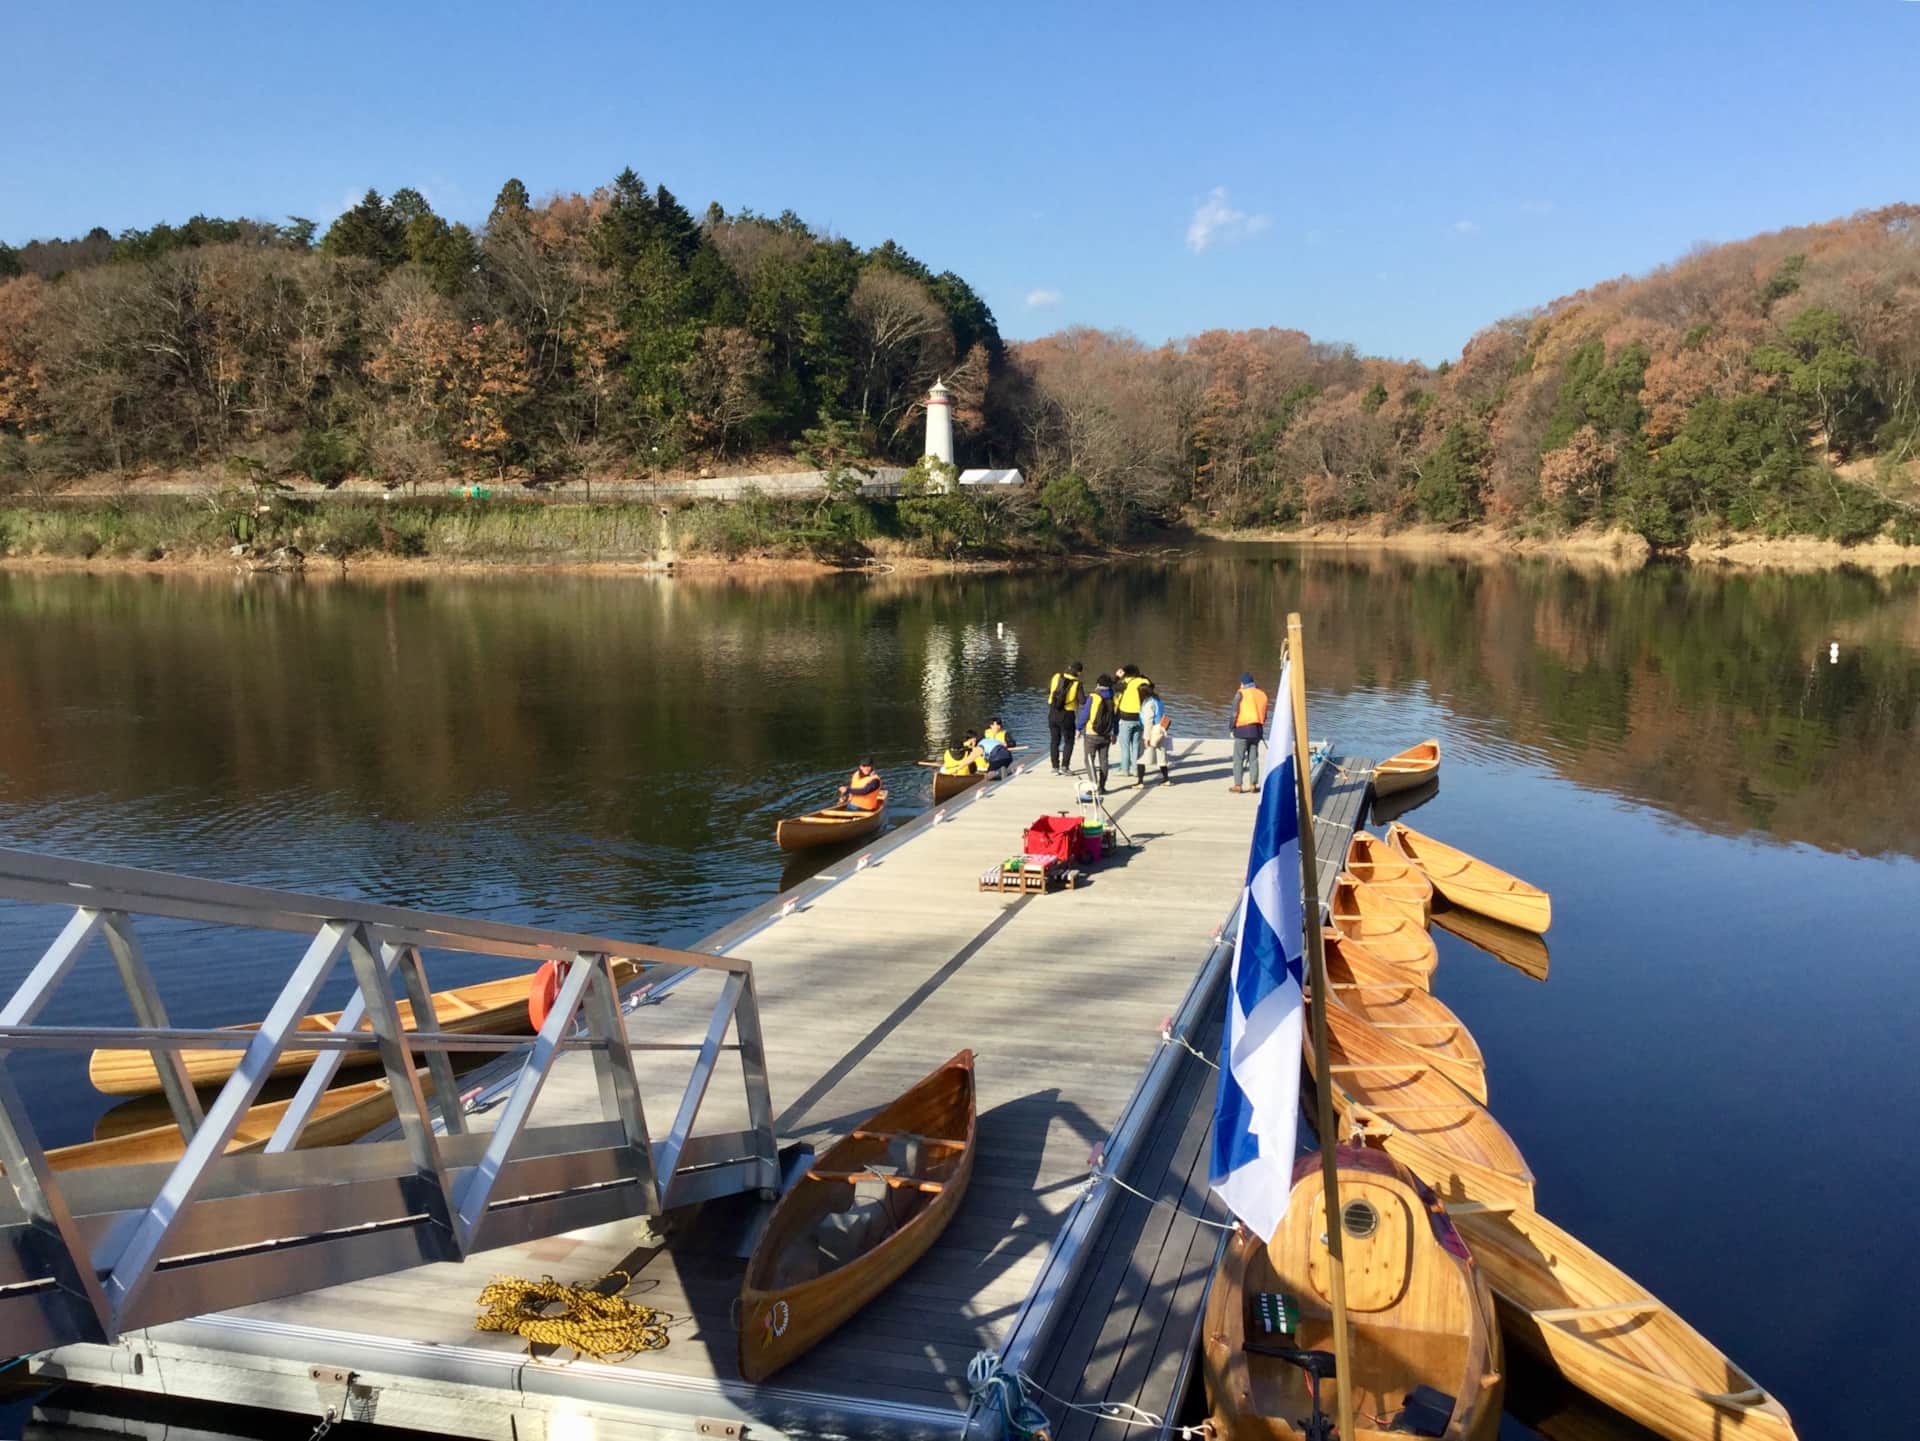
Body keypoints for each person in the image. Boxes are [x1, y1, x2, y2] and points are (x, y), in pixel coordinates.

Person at [1228, 672, 1270, 794]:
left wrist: (1231, 728)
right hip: (1256, 731)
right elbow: (1265, 714)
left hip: (1242, 730)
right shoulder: (1262, 694)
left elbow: (1234, 713)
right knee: (1253, 758)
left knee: (1238, 758)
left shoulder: (1241, 694)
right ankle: (1253, 784)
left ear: (1242, 683)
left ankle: (1238, 785)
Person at [1077, 673, 1118, 794]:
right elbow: (1116, 718)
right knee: (1104, 761)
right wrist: (1115, 733)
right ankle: (1102, 787)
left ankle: (1093, 787)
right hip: (1106, 734)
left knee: (1089, 761)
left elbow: (1085, 715)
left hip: (1091, 734)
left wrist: (1078, 728)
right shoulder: (1114, 699)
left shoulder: (1093, 697)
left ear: (1098, 684)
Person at [1114, 664, 1154, 785]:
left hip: (1125, 717)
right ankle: (1136, 769)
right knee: (1136, 745)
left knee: (1125, 745)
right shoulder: (1144, 681)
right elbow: (1152, 685)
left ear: (1125, 673)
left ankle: (1124, 769)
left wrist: (1117, 676)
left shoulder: (1124, 683)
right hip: (1140, 717)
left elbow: (1112, 687)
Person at [1045, 661, 1084, 774]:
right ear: (1079, 673)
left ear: (1068, 667)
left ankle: (1055, 767)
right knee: (1069, 741)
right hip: (1067, 714)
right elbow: (1082, 701)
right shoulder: (1077, 683)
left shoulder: (1056, 676)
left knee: (1054, 740)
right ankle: (1065, 767)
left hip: (1053, 712)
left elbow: (1048, 691)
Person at [1139, 682, 1172, 786]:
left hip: (1153, 730)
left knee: (1141, 758)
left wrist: (1146, 738)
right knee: (1162, 757)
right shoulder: (1157, 699)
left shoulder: (1148, 703)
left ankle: (1140, 782)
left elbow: (1148, 721)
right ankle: (1166, 779)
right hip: (1161, 729)